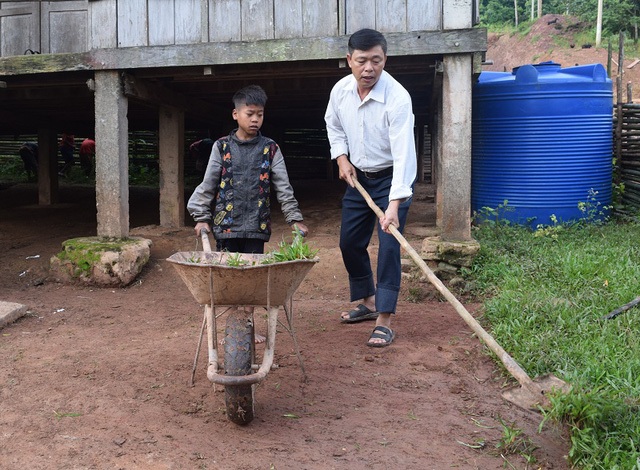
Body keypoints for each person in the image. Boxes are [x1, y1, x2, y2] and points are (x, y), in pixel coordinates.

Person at [187, 85, 309, 343]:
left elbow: (283, 187)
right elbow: (208, 184)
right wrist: (201, 216)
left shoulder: (270, 148)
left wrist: (294, 218)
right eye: (250, 113)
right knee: (228, 278)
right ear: (235, 114)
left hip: (256, 225)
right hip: (226, 226)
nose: (255, 119)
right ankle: (235, 324)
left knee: (252, 279)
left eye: (260, 114)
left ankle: (248, 326)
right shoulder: (221, 147)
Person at [324, 28, 417, 348]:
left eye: (376, 61)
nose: (369, 69)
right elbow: (333, 124)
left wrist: (394, 205)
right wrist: (341, 158)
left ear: (385, 60)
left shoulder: (398, 98)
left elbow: (405, 154)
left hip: (392, 180)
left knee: (389, 246)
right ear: (349, 60)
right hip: (358, 178)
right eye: (362, 61)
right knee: (349, 242)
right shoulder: (340, 92)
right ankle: (368, 301)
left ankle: (385, 319)